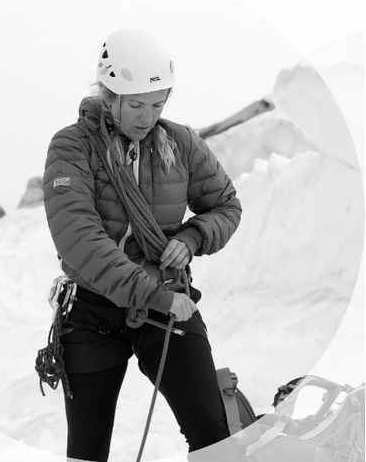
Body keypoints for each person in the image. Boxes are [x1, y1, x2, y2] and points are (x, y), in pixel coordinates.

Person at [43, 29, 243, 462]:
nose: (147, 117)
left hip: (167, 304)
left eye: (157, 104)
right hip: (95, 312)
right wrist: (155, 295)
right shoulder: (72, 147)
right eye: (135, 105)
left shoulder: (181, 144)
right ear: (108, 94)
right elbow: (80, 240)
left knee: (214, 435)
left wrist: (192, 237)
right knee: (87, 451)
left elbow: (226, 206)